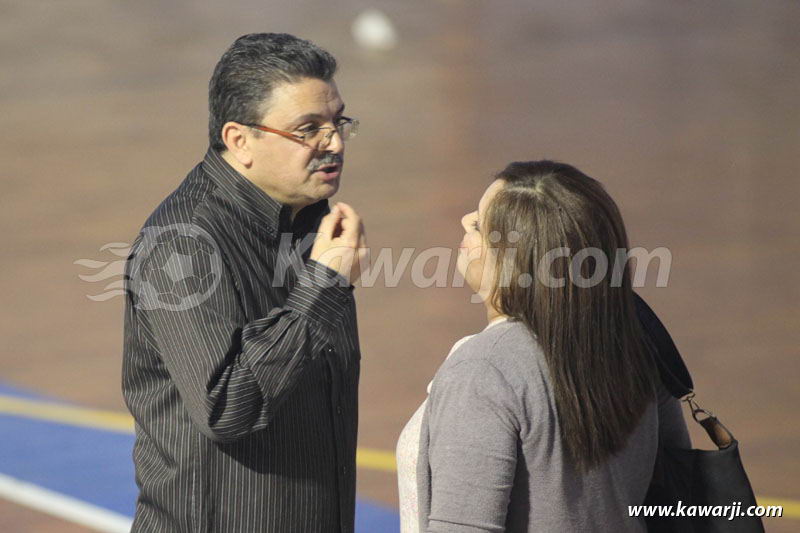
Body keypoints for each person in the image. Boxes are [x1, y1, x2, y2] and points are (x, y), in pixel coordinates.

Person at [122, 33, 367, 532]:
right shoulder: (182, 244)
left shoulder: (309, 224)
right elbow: (227, 407)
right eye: (308, 129)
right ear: (240, 140)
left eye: (337, 122)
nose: (334, 143)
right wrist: (320, 289)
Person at [397, 161, 691, 532]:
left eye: (478, 225)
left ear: (511, 261)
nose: (464, 221)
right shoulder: (637, 348)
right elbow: (674, 482)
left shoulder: (485, 370)